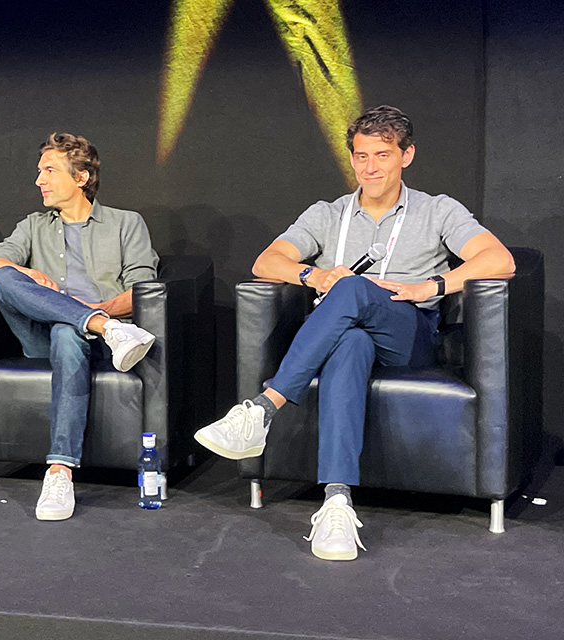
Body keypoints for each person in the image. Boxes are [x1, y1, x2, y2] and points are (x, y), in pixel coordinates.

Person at [194, 105, 516, 560]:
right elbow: (266, 262)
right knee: (349, 340)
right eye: (361, 156)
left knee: (352, 288)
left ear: (406, 155)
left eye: (382, 155)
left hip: (409, 332)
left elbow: (500, 260)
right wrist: (316, 276)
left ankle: (263, 409)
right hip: (345, 332)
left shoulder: (437, 210)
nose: (370, 167)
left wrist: (431, 285)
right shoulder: (328, 214)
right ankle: (337, 504)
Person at [0, 132, 159, 521]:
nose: (39, 180)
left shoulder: (126, 224)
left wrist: (100, 309)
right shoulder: (33, 226)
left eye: (49, 171)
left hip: (102, 343)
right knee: (5, 276)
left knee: (67, 331)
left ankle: (59, 472)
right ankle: (99, 324)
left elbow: (142, 290)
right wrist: (28, 273)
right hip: (41, 336)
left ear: (81, 177)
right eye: (39, 171)